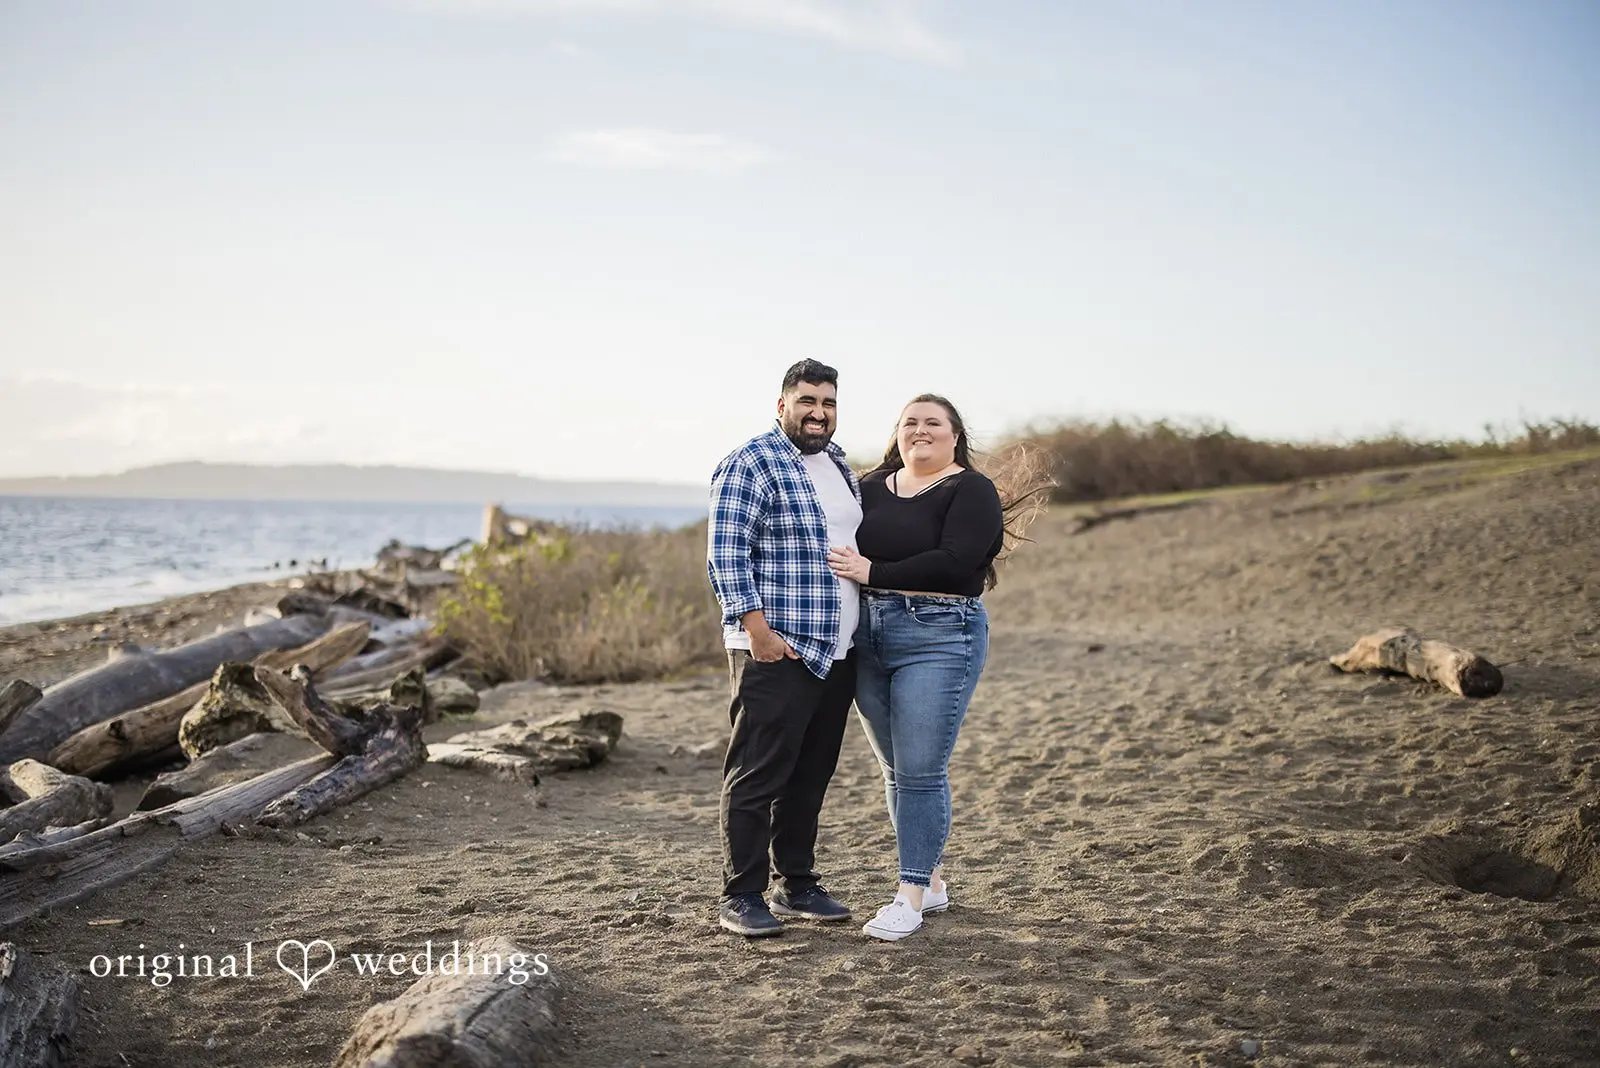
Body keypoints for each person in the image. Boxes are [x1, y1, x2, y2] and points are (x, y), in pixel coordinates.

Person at [827, 393, 1047, 941]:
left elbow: (957, 564)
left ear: (954, 436)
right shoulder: (871, 485)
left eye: (933, 423)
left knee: (922, 770)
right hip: (868, 634)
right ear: (897, 434)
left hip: (940, 634)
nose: (920, 430)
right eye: (910, 422)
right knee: (895, 769)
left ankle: (910, 895)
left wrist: (871, 569)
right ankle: (935, 881)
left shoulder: (969, 489)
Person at [706, 359, 863, 937]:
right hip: (775, 647)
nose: (818, 413)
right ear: (782, 406)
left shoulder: (839, 463)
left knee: (811, 773)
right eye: (807, 402)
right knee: (757, 772)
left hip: (836, 649)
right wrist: (758, 632)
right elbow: (726, 555)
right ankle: (742, 894)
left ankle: (796, 883)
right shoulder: (750, 462)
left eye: (828, 403)